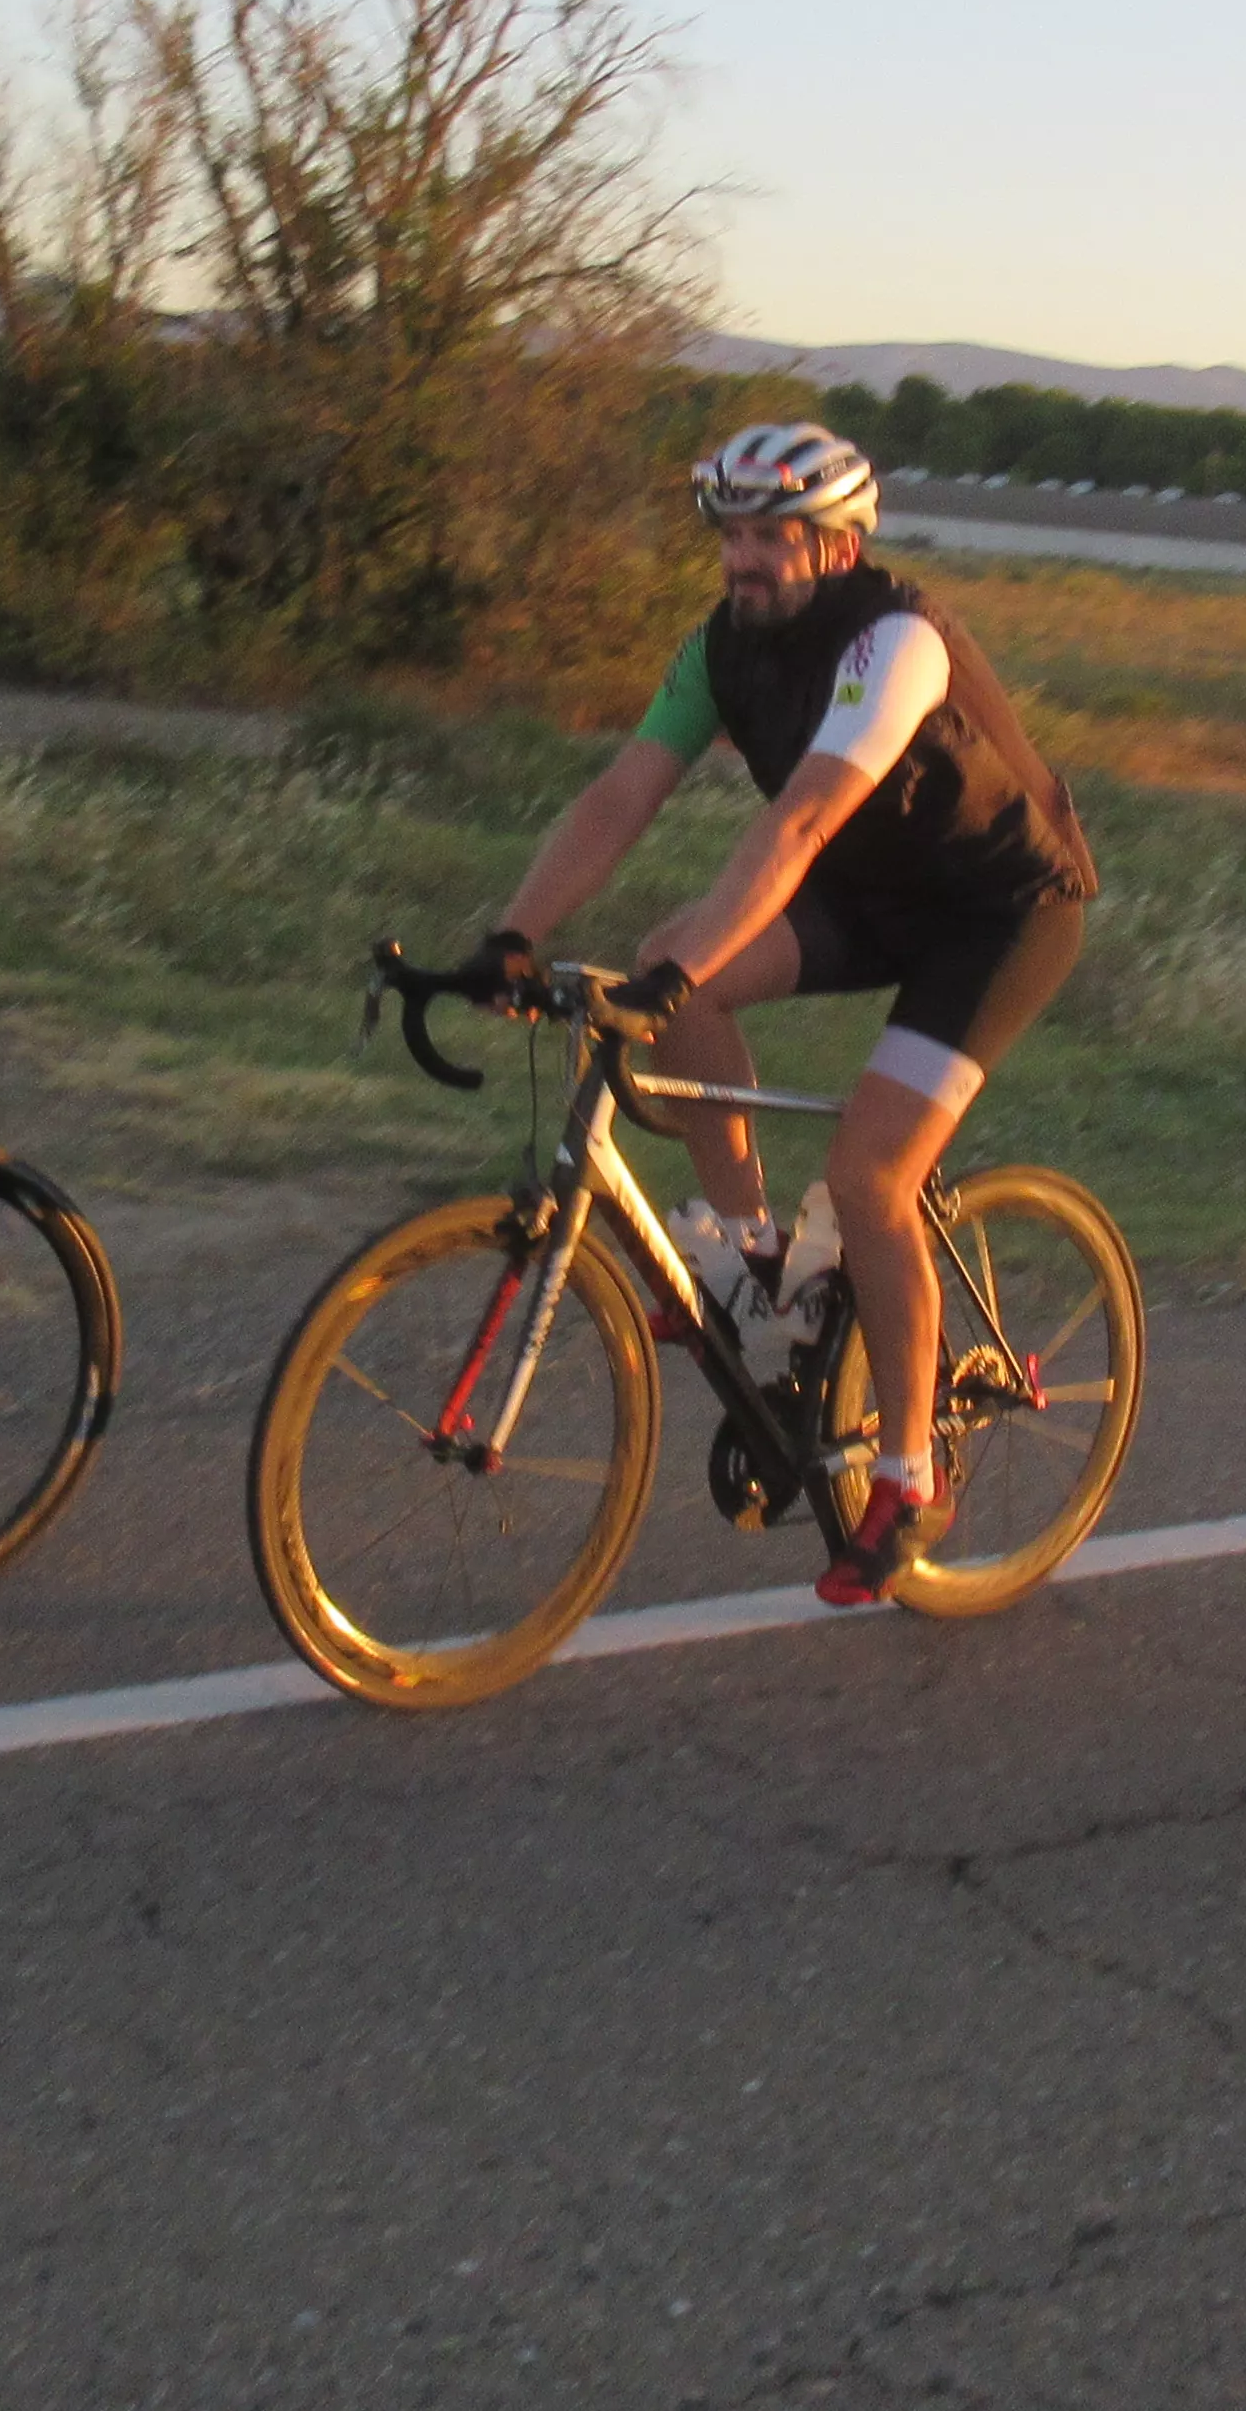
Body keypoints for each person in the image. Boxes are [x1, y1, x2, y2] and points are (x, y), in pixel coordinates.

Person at [466, 422, 1098, 1602]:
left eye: (771, 538)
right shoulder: (725, 646)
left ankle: (908, 1476)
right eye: (732, 536)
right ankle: (759, 1260)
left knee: (871, 1174)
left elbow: (801, 820)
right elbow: (618, 798)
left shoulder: (894, 640)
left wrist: (687, 964)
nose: (741, 560)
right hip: (875, 895)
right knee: (667, 965)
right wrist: (515, 935)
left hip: (996, 913)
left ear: (841, 543)